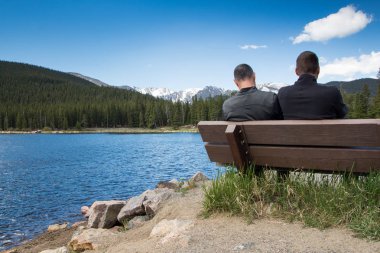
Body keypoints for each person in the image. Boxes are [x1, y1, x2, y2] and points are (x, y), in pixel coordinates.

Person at [278, 51, 348, 119]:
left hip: (290, 131)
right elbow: (342, 115)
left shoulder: (282, 93)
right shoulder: (332, 92)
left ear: (296, 71)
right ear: (318, 70)